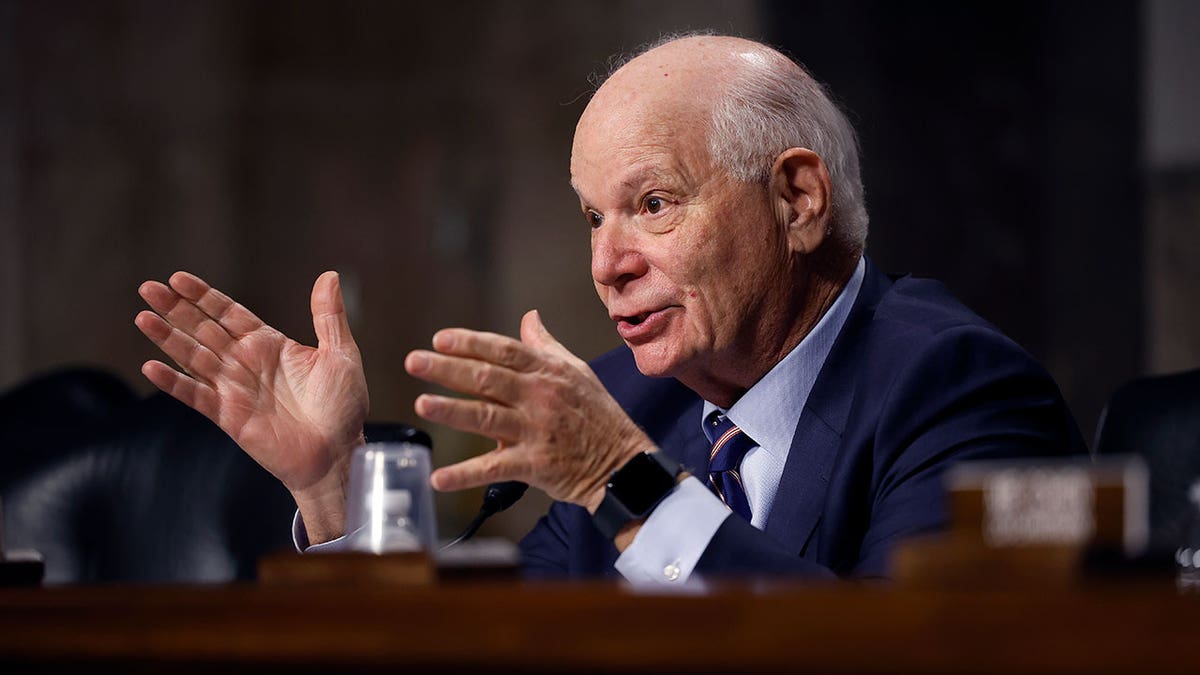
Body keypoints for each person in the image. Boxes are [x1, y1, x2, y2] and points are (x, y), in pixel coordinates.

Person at [134, 34, 1084, 584]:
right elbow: (500, 649)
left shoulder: (957, 388)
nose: (605, 264)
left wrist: (626, 482)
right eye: (593, 217)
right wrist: (332, 488)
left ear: (798, 200)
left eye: (653, 205)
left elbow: (900, 655)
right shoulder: (632, 400)